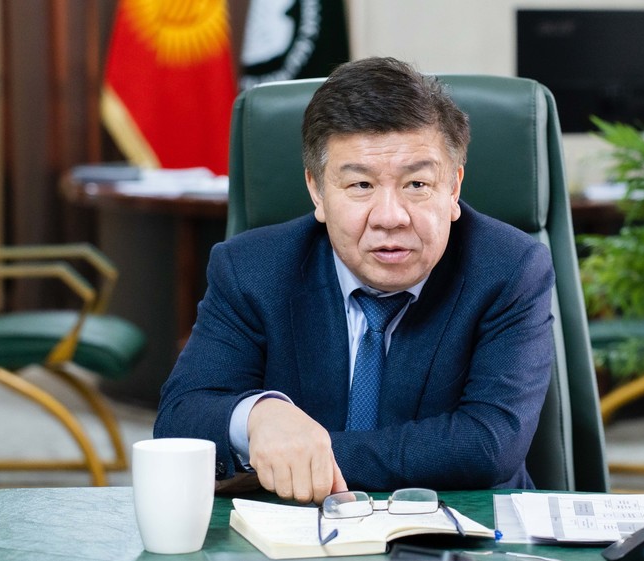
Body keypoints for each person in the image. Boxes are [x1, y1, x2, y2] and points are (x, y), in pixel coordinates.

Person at [154, 56, 555, 505]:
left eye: (417, 185)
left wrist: (302, 457)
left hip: (461, 526)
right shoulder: (252, 269)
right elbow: (179, 420)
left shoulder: (509, 269)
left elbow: (489, 444)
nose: (390, 217)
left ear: (454, 188)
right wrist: (258, 417)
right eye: (361, 186)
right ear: (317, 192)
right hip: (295, 532)